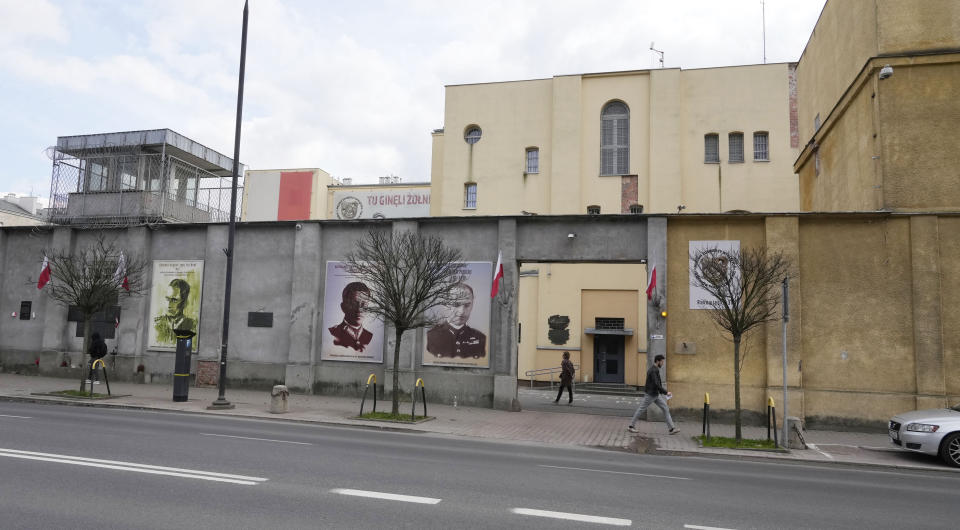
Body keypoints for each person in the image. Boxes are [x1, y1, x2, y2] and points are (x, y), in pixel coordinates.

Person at [426, 283, 486, 359]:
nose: (461, 311)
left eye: (467, 305)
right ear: (445, 304)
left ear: (472, 304)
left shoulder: (480, 338)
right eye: (456, 304)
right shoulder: (431, 336)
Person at [628, 354, 679, 435]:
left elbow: (656, 384)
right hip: (651, 394)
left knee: (665, 408)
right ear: (658, 361)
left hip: (655, 394)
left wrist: (661, 392)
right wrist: (666, 392)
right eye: (662, 362)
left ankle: (671, 429)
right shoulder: (653, 371)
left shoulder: (654, 369)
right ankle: (631, 426)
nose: (663, 363)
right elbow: (656, 384)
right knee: (641, 409)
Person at [328, 281, 374, 352]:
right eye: (354, 304)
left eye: (364, 304)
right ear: (343, 307)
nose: (359, 309)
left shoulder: (370, 337)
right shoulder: (332, 333)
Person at [155, 278, 196, 344]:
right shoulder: (157, 324)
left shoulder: (192, 325)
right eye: (167, 299)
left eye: (174, 300)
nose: (169, 304)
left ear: (184, 302)